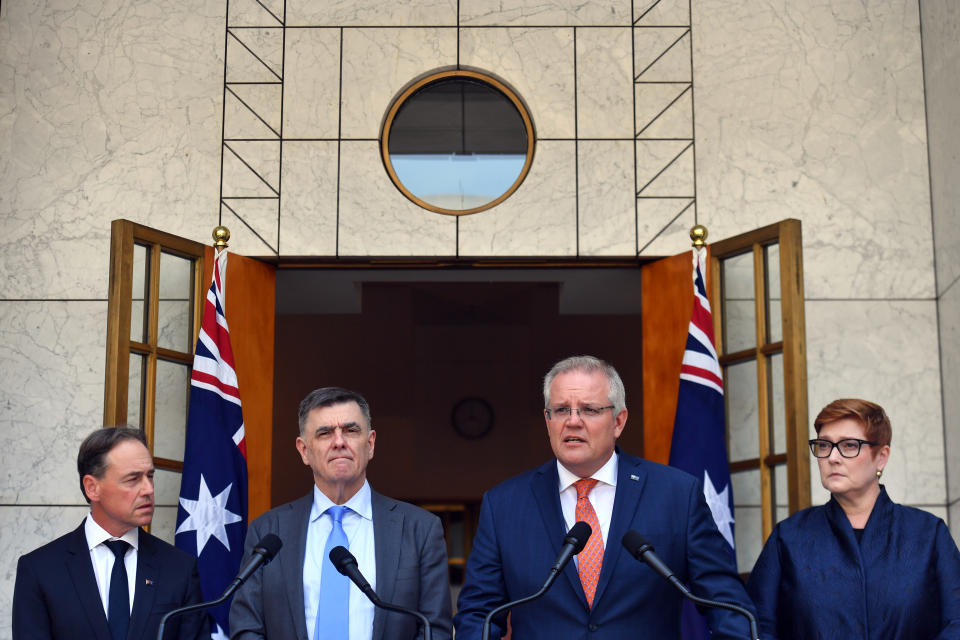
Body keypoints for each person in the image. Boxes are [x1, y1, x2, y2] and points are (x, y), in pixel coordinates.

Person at [454, 355, 755, 638]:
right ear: (548, 421)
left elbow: (727, 605)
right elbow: (478, 614)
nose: (573, 421)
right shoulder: (505, 505)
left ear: (619, 421)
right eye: (561, 410)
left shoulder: (676, 495)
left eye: (589, 409)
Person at [229, 387, 452, 640]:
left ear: (370, 444)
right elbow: (247, 628)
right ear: (304, 451)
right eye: (324, 433)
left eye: (351, 430)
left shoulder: (420, 529)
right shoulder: (268, 531)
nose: (339, 442)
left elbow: (435, 630)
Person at [746, 398, 960, 639]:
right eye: (824, 445)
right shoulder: (789, 537)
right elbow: (757, 627)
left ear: (881, 457)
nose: (832, 457)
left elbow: (957, 623)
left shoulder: (927, 534)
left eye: (849, 445)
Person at [12, 427, 207, 640]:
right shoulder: (40, 569)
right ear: (92, 487)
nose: (148, 489)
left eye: (150, 476)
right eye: (133, 479)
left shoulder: (180, 568)